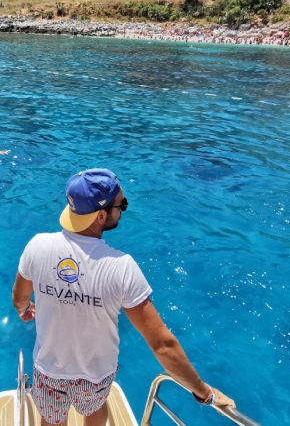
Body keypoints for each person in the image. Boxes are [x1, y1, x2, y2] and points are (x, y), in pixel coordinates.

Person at [12, 169, 235, 426]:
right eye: (122, 205)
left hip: (48, 371)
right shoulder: (122, 267)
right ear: (102, 215)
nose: (124, 209)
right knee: (95, 410)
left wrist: (25, 308)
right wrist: (204, 392)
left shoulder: (37, 246)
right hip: (95, 377)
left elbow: (19, 296)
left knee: (51, 421)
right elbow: (163, 346)